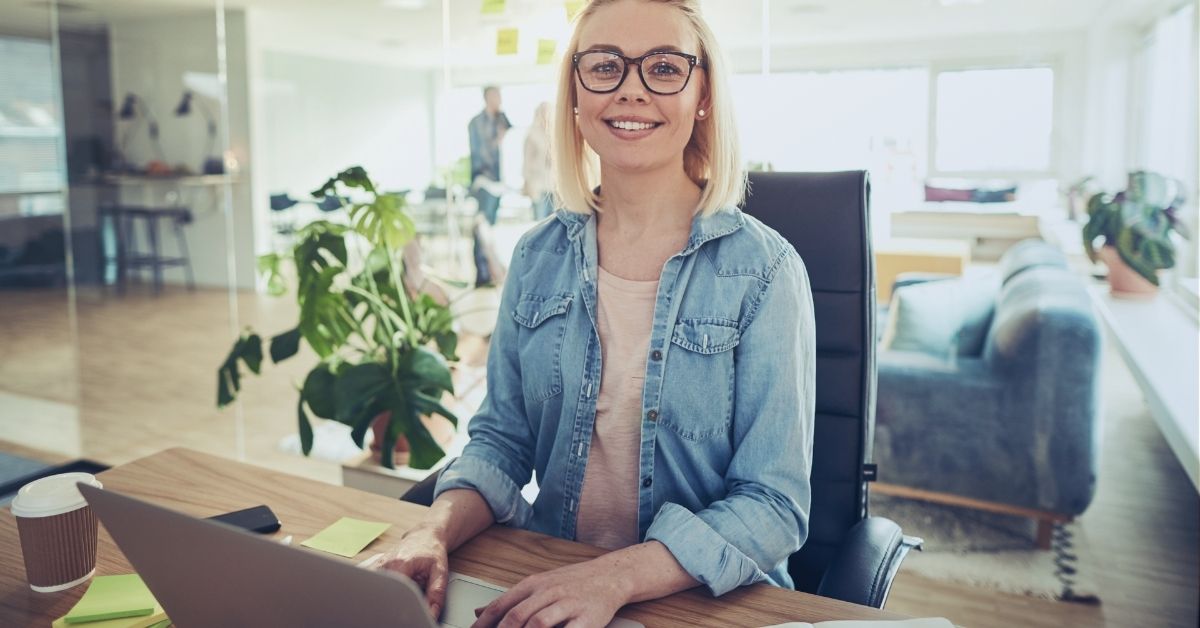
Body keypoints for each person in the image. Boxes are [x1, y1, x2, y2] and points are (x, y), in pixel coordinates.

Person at [377, 1, 816, 626]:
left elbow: (772, 504)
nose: (632, 90)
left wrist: (615, 576)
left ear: (703, 95)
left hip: (701, 602)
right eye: (605, 66)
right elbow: (502, 441)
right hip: (553, 581)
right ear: (576, 96)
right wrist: (432, 533)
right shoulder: (536, 255)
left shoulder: (766, 272)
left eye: (664, 67)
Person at [468, 85, 512, 287]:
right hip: (484, 182)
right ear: (487, 97)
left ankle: (492, 271)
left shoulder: (500, 119)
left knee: (490, 228)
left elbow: (508, 139)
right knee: (482, 227)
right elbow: (483, 152)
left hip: (498, 184)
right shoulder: (477, 123)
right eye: (496, 96)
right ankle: (482, 273)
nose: (499, 99)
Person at [523, 102, 555, 220]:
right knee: (540, 222)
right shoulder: (532, 135)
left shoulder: (555, 134)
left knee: (554, 222)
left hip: (554, 186)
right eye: (543, 112)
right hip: (538, 185)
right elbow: (526, 163)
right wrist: (527, 182)